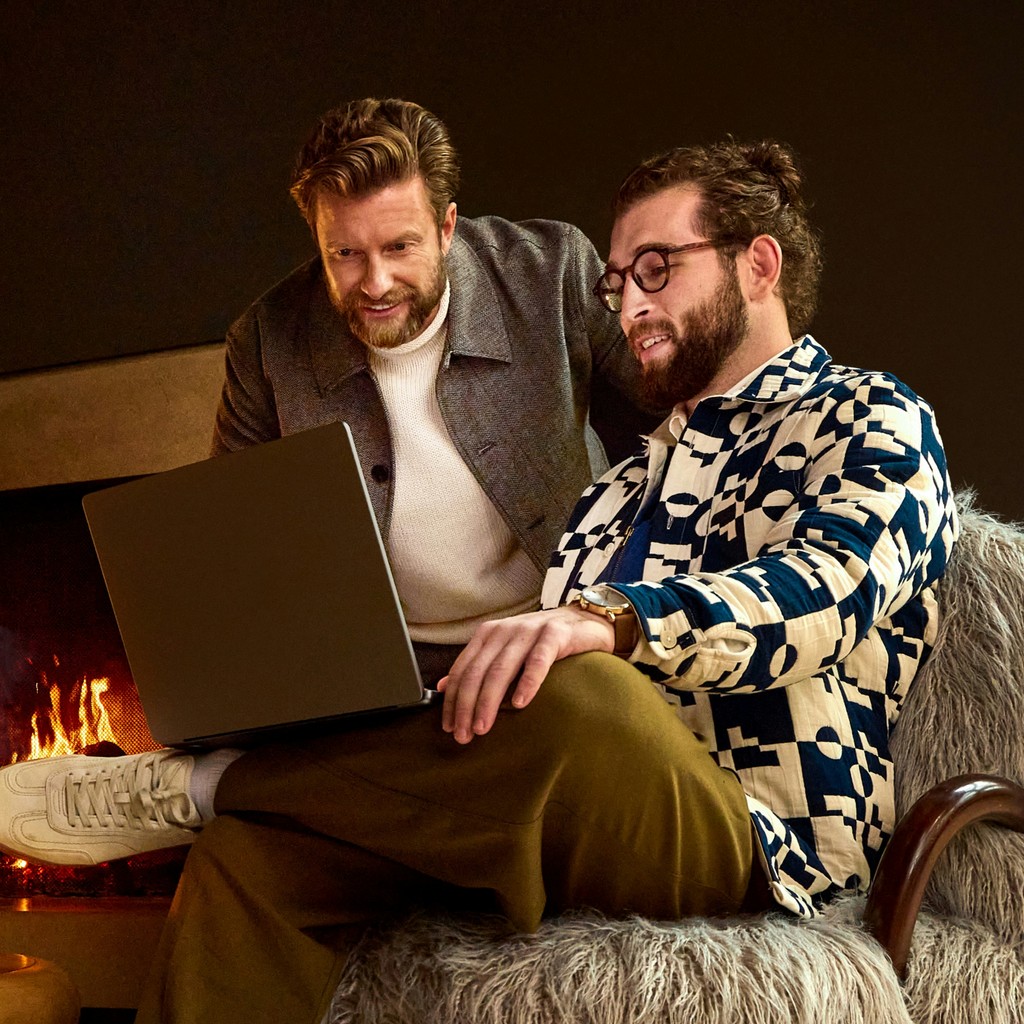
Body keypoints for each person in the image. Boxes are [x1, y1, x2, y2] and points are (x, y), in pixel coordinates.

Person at [0, 136, 957, 1024]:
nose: (627, 305)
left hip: (757, 834)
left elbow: (830, 588)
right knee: (250, 860)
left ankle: (203, 786)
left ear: (759, 264)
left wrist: (609, 622)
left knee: (577, 686)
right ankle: (226, 804)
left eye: (657, 269)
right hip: (547, 818)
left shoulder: (869, 417)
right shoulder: (616, 491)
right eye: (619, 280)